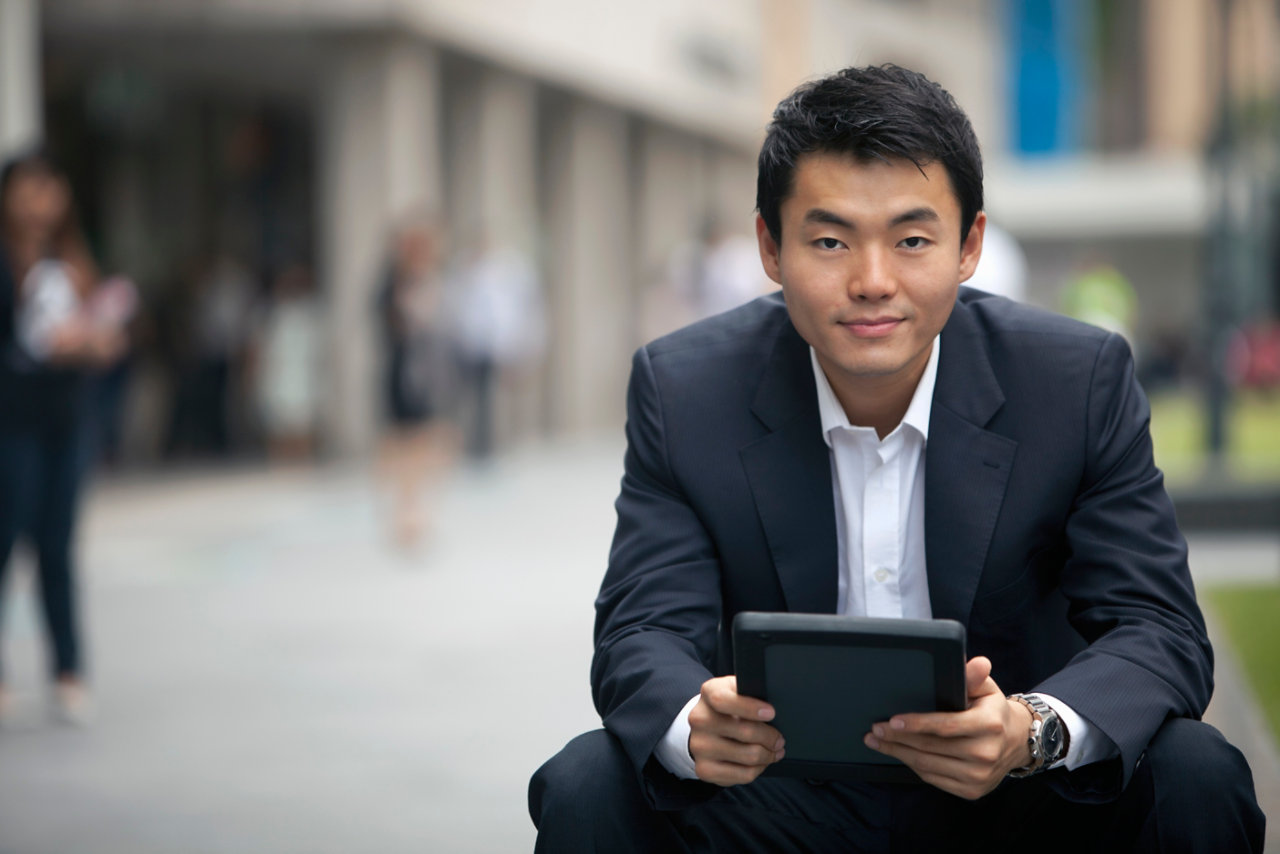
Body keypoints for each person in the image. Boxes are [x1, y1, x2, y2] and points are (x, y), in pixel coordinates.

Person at [529, 65, 1265, 852]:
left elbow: (1159, 626)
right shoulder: (685, 388)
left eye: (912, 240)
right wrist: (695, 726)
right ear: (771, 249)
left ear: (969, 245)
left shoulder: (1075, 382)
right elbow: (642, 627)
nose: (872, 281)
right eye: (830, 240)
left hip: (1011, 793)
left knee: (1197, 771)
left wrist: (1031, 730)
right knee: (589, 781)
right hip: (774, 793)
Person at [0, 150, 126, 724]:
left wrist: (96, 344)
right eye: (28, 189)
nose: (39, 202)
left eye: (49, 188)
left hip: (65, 420)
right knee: (5, 541)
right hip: (11, 420)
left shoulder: (71, 261)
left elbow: (96, 332)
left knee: (58, 546)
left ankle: (68, 669)